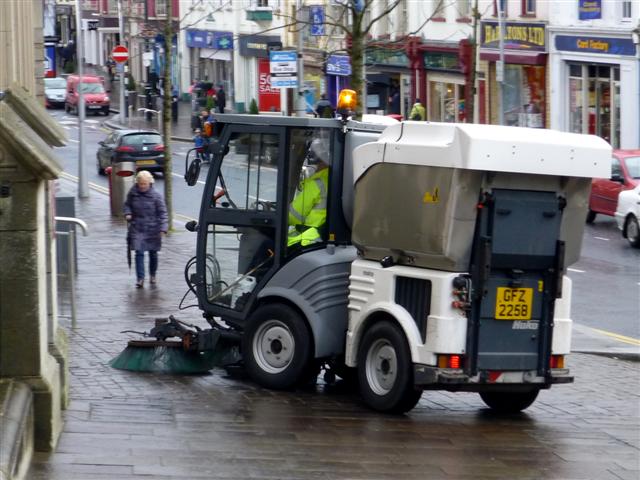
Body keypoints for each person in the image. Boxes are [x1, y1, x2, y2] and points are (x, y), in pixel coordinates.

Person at [123, 171, 168, 288]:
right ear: (137, 183)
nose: (142, 186)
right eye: (140, 183)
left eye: (145, 184)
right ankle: (140, 279)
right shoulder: (133, 193)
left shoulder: (156, 196)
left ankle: (153, 275)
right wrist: (127, 213)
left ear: (150, 183)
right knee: (139, 252)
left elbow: (163, 213)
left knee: (153, 253)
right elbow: (127, 204)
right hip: (137, 227)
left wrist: (163, 228)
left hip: (153, 228)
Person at [288, 139, 330, 248]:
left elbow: (294, 216)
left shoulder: (316, 183)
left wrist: (278, 214)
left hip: (310, 237)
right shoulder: (332, 178)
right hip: (322, 233)